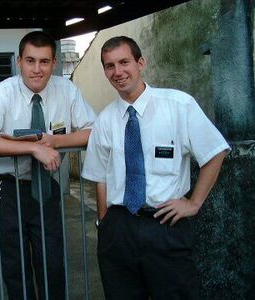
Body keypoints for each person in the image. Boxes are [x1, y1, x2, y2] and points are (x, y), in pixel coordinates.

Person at [82, 36, 230, 300]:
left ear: (141, 63)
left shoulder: (178, 105)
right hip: (119, 229)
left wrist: (194, 203)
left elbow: (215, 151)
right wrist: (105, 224)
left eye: (124, 62)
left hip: (166, 224)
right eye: (109, 65)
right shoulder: (104, 121)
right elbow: (100, 176)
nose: (118, 72)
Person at [0, 31, 96, 299]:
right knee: (15, 267)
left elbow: (94, 131)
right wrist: (33, 147)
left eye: (44, 62)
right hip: (5, 188)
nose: (37, 70)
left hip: (45, 187)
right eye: (30, 61)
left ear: (55, 63)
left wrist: (55, 142)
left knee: (53, 263)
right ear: (19, 61)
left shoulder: (67, 90)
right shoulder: (2, 92)